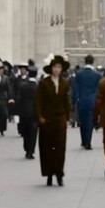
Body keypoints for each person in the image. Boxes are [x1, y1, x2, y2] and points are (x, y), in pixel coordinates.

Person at [36, 54, 72, 186]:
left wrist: (68, 117)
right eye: (54, 67)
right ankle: (49, 174)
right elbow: (38, 102)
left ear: (61, 69)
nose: (56, 69)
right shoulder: (44, 84)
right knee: (47, 148)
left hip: (60, 119)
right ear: (51, 68)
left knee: (60, 148)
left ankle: (59, 173)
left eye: (59, 67)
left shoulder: (64, 83)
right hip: (47, 120)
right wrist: (40, 116)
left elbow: (66, 102)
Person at [71, 55, 102, 150]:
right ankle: (88, 142)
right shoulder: (97, 75)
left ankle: (83, 140)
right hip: (92, 101)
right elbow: (99, 90)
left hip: (81, 100)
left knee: (82, 121)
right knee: (90, 121)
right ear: (93, 62)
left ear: (85, 62)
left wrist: (73, 100)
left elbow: (75, 89)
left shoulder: (79, 74)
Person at [15, 64, 39, 159]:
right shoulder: (39, 87)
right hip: (34, 112)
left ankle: (26, 148)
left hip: (24, 112)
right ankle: (30, 151)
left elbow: (19, 99)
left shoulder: (23, 85)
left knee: (25, 131)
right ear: (36, 74)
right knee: (33, 132)